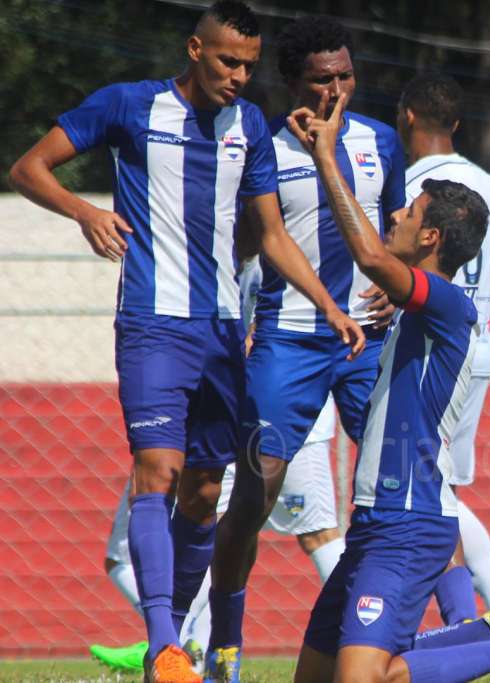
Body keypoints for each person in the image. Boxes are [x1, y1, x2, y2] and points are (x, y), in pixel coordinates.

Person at [7, 3, 362, 681]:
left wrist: (328, 306)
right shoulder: (129, 106)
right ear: (195, 49)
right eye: (229, 60)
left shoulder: (249, 125)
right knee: (158, 472)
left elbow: (272, 235)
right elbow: (29, 168)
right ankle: (166, 644)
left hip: (227, 333)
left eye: (250, 65)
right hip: (153, 325)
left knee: (205, 492)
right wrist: (86, 211)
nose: (239, 75)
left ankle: (179, 649)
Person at [286, 91, 490, 683]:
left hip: (409, 524)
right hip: (375, 522)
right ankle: (485, 631)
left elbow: (368, 254)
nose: (395, 215)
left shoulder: (447, 302)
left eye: (408, 213)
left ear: (431, 239)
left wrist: (326, 157)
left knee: (372, 679)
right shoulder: (419, 305)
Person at [203, 15, 404, 680]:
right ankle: (224, 647)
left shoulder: (379, 141)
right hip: (287, 341)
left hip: (368, 342)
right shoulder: (260, 144)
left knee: (406, 484)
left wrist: (400, 287)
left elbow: (401, 230)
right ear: (293, 82)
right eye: (322, 79)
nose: (336, 90)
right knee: (256, 492)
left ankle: (458, 626)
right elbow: (247, 238)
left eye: (346, 76)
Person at [89, 255, 346, 676]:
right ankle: (191, 644)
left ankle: (182, 642)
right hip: (250, 415)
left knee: (289, 533)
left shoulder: (274, 253)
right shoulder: (231, 249)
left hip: (266, 418)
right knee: (228, 531)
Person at [398, 72, 490, 622]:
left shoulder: (407, 189)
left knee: (430, 488)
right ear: (455, 123)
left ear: (405, 117)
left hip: (420, 356)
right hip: (472, 354)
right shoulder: (489, 185)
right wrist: (481, 335)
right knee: (437, 483)